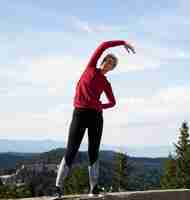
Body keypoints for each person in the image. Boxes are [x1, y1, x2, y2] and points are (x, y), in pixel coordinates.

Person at [53, 40, 135, 199]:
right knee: (71, 150)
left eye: (112, 64)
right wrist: (123, 42)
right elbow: (103, 45)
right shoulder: (90, 67)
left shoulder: (106, 83)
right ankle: (57, 188)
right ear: (102, 61)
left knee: (93, 152)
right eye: (107, 61)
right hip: (79, 113)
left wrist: (99, 106)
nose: (108, 64)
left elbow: (113, 102)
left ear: (112, 68)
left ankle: (93, 188)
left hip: (96, 117)